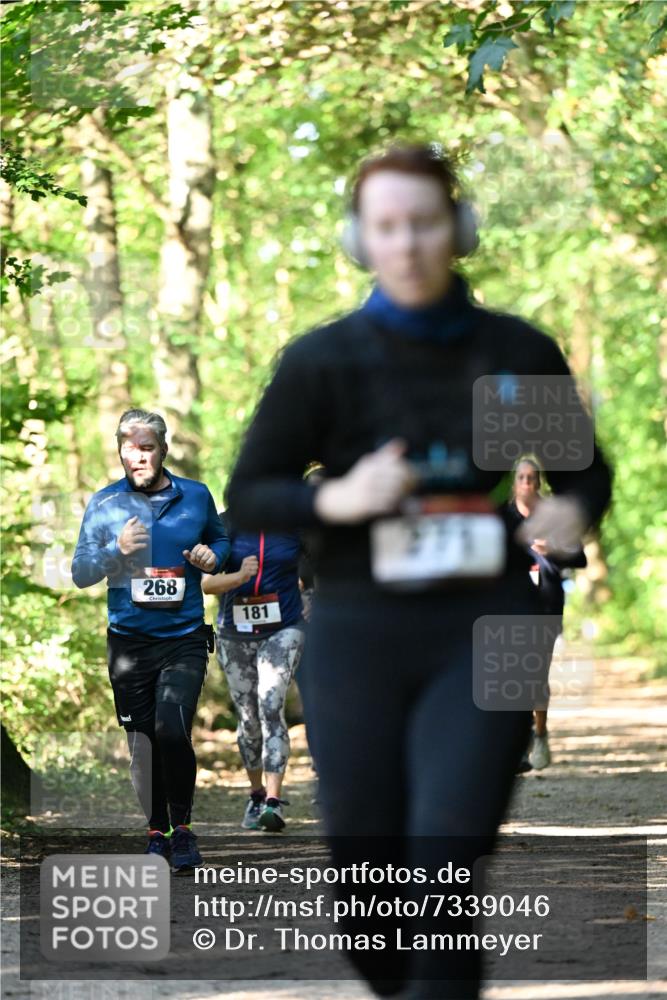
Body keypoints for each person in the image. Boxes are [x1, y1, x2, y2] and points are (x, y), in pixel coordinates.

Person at [224, 144, 612, 998]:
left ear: (458, 230)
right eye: (386, 227)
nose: (407, 244)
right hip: (358, 631)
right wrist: (340, 498)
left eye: (425, 223)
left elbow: (584, 470)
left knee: (447, 862)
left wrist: (569, 509)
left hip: (491, 628)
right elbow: (250, 494)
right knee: (370, 899)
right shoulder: (322, 362)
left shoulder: (513, 350)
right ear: (360, 240)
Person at [72, 409, 229, 872]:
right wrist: (115, 550)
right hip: (128, 642)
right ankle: (156, 832)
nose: (137, 456)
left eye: (146, 447)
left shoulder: (196, 497)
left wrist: (210, 556)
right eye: (128, 447)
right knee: (141, 743)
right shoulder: (104, 505)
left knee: (171, 728)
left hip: (182, 637)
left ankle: (183, 831)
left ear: (163, 450)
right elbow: (81, 573)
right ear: (119, 449)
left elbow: (219, 545)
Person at [201, 515, 306, 832]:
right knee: (248, 718)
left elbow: (323, 563)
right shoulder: (223, 526)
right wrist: (239, 576)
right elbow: (205, 584)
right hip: (235, 634)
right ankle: (256, 795)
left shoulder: (293, 524)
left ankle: (273, 803)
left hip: (283, 627)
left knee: (270, 705)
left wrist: (314, 595)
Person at [504, 457, 588, 770]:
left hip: (546, 606)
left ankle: (539, 732)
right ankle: (517, 742)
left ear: (539, 482)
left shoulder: (552, 515)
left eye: (532, 478)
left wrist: (550, 550)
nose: (527, 483)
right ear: (514, 483)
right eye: (521, 478)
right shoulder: (504, 517)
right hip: (509, 606)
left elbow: (580, 559)